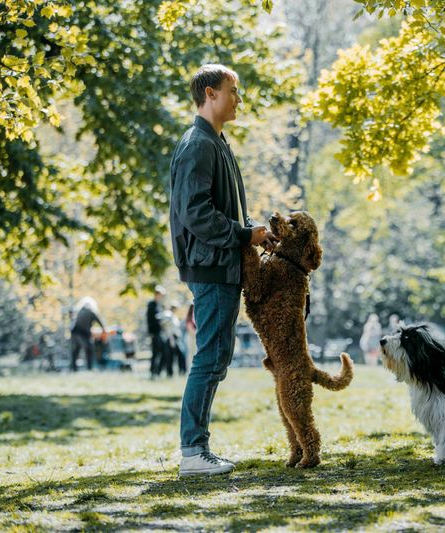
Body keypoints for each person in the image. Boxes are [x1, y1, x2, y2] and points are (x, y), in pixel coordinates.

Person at [170, 64, 276, 477]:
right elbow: (196, 214)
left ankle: (196, 449)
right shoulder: (198, 144)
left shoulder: (216, 142)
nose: (238, 98)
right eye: (233, 90)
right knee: (210, 358)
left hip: (221, 264)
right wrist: (244, 234)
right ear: (210, 94)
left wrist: (250, 235)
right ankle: (193, 452)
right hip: (210, 267)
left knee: (216, 356)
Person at [70, 296, 105, 371]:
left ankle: (73, 369)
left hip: (75, 333)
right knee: (89, 351)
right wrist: (104, 330)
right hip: (83, 334)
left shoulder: (79, 311)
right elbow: (100, 323)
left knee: (75, 352)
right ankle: (89, 368)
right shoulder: (91, 312)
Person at [147, 286, 166, 378]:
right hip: (154, 333)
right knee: (155, 353)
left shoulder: (158, 305)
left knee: (162, 352)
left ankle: (158, 372)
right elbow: (151, 320)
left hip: (159, 333)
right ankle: (153, 373)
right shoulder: (151, 305)